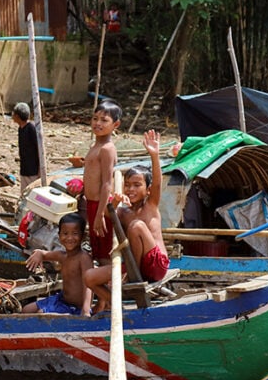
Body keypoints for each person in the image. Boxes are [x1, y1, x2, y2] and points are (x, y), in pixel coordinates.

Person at [84, 130, 169, 314]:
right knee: (89, 277)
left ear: (147, 190)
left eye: (137, 185)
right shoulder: (123, 212)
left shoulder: (151, 205)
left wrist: (154, 155)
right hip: (132, 266)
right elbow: (107, 214)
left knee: (137, 226)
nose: (131, 189)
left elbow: (157, 184)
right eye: (128, 185)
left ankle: (130, 274)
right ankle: (114, 303)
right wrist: (114, 201)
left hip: (155, 264)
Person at [23, 213, 93, 316]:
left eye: (75, 233)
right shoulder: (62, 256)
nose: (69, 238)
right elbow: (44, 254)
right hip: (61, 300)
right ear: (59, 236)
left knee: (41, 314)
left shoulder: (84, 258)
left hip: (76, 308)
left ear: (83, 236)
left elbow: (88, 285)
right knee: (26, 310)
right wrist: (39, 253)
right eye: (65, 233)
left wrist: (86, 309)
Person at [80, 99, 121, 266]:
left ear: (115, 124)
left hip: (100, 206)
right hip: (91, 204)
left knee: (104, 253)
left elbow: (106, 183)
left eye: (104, 120)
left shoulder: (107, 149)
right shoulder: (94, 145)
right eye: (95, 118)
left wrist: (100, 214)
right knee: (96, 249)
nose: (98, 123)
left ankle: (109, 288)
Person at [12, 102, 41, 194]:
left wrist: (40, 168)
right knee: (24, 192)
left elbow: (39, 148)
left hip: (33, 169)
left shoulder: (31, 128)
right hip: (25, 167)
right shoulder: (21, 128)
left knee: (31, 192)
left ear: (17, 116)